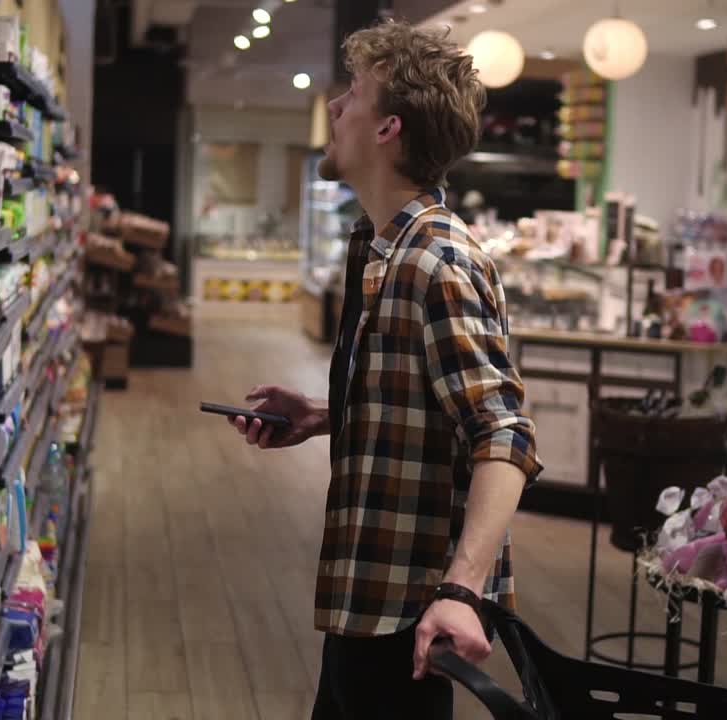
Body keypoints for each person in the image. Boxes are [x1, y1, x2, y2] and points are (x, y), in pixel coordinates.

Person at [227, 20, 541, 720]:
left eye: (353, 97)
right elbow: (431, 408)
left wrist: (461, 592)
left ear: (387, 129)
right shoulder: (380, 248)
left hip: (413, 619)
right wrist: (324, 414)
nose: (335, 109)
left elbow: (504, 436)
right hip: (365, 598)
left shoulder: (437, 260)